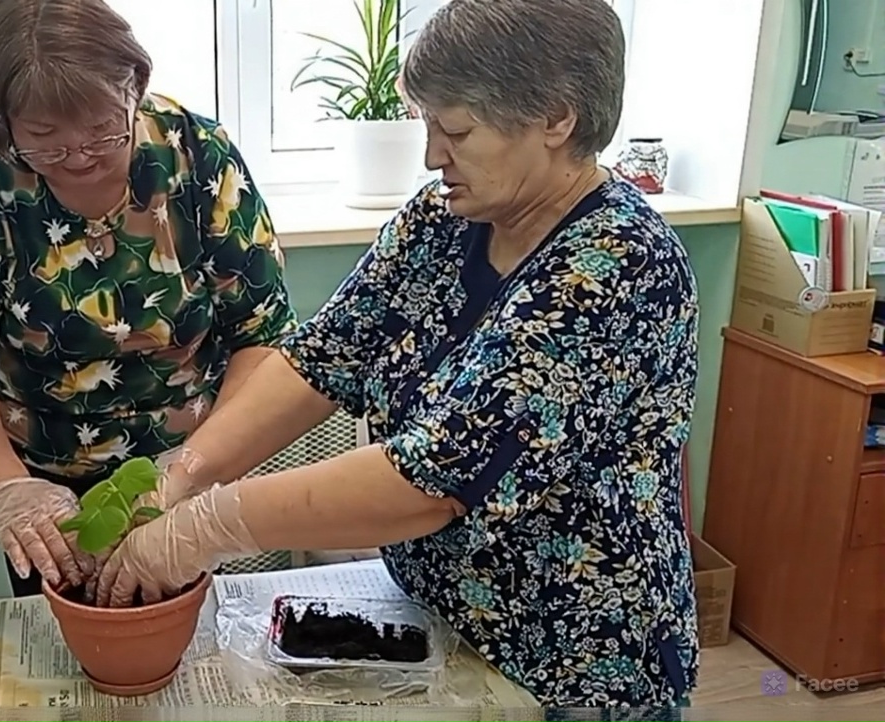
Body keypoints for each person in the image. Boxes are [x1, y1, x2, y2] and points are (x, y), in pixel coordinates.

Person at [93, 0, 700, 708]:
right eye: (427, 125)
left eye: (458, 131)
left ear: (557, 119)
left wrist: (209, 526)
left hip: (571, 659)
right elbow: (319, 360)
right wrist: (187, 472)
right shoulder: (445, 218)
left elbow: (428, 482)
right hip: (445, 621)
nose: (433, 155)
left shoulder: (617, 267)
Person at [0, 0, 295, 598]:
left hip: (191, 458)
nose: (80, 156)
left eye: (103, 129)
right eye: (45, 139)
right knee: (75, 639)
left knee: (178, 631)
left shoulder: (195, 153)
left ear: (134, 87)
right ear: (2, 119)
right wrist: (9, 490)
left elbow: (263, 336)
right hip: (45, 490)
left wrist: (189, 471)